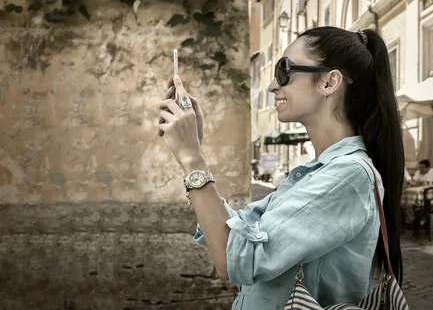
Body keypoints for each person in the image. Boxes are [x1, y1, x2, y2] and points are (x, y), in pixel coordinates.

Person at [157, 27, 405, 309]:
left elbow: (234, 259)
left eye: (284, 70)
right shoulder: (317, 172)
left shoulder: (348, 176)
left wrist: (193, 160)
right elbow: (238, 235)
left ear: (329, 82)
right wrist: (194, 150)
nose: (274, 86)